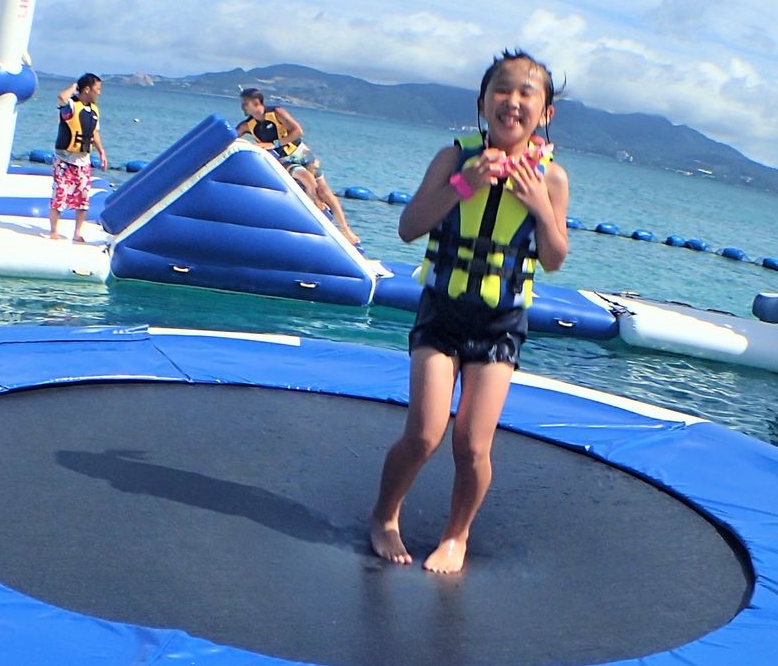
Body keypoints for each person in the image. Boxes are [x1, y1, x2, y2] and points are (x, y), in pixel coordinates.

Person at [369, 49, 569, 573]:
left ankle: (456, 536)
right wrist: (465, 185)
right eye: (501, 89)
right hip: (442, 313)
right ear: (482, 103)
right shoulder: (452, 161)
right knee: (424, 434)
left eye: (527, 93)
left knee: (473, 446)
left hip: (500, 324)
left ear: (545, 113)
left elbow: (553, 259)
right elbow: (409, 227)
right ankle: (384, 517)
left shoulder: (551, 179)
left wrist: (540, 206)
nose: (512, 100)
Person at [236, 89, 359, 245]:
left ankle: (346, 230)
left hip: (302, 153)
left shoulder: (277, 113)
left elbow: (297, 131)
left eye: (245, 104)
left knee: (325, 191)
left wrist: (274, 144)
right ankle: (317, 205)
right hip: (284, 160)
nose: (242, 107)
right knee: (306, 179)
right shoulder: (247, 125)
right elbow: (231, 136)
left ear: (256, 103)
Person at [49, 73, 107, 242]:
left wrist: (101, 151)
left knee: (83, 198)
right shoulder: (71, 106)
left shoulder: (94, 110)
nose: (99, 93)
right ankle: (54, 231)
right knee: (59, 194)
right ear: (87, 89)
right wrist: (74, 87)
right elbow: (61, 98)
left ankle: (77, 232)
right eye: (97, 89)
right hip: (64, 160)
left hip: (83, 160)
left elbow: (94, 132)